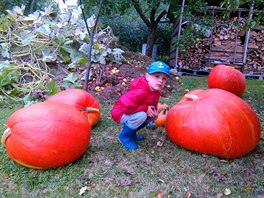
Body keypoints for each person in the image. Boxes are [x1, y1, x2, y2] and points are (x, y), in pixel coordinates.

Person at [111, 61, 170, 150]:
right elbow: (127, 107)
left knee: (153, 115)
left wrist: (149, 110)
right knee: (141, 116)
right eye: (157, 76)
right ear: (147, 77)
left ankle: (132, 132)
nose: (160, 80)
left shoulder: (154, 91)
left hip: (133, 110)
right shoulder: (140, 90)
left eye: (164, 78)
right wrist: (145, 108)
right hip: (120, 112)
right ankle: (124, 137)